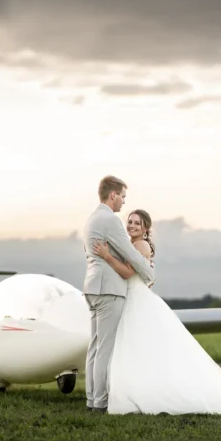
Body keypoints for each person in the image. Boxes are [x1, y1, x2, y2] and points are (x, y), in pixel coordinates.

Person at [92, 209, 221, 416]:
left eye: (137, 223)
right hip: (132, 297)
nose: (131, 226)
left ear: (146, 228)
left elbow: (128, 272)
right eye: (130, 222)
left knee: (138, 347)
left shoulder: (140, 245)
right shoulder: (132, 244)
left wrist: (106, 256)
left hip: (137, 301)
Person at [82, 176, 156, 412]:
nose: (124, 202)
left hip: (92, 287)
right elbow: (132, 255)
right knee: (104, 349)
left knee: (94, 347)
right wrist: (149, 274)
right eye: (123, 197)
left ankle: (91, 399)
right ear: (112, 195)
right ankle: (100, 404)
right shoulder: (111, 221)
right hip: (109, 290)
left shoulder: (91, 219)